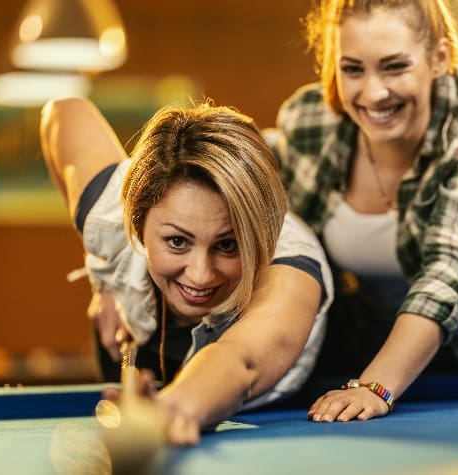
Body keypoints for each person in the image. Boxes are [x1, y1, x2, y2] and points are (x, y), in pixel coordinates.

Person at [266, 0, 458, 423]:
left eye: (394, 66)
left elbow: (447, 270)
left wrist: (375, 386)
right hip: (360, 354)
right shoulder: (307, 120)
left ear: (439, 58)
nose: (374, 92)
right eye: (353, 69)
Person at [40, 97, 333, 444]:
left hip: (273, 412)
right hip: (136, 349)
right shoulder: (109, 211)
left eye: (227, 245)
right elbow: (63, 112)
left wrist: (170, 410)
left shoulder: (289, 268)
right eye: (177, 241)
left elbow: (241, 362)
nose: (200, 275)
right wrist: (101, 278)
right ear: (136, 222)